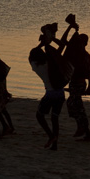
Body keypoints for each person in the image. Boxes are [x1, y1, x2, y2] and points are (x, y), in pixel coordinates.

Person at [29, 21, 76, 150]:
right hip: (60, 94)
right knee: (55, 118)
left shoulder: (36, 67)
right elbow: (61, 46)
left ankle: (51, 136)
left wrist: (42, 43)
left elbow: (33, 54)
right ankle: (55, 144)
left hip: (50, 94)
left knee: (40, 115)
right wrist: (52, 39)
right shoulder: (52, 63)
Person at [65, 32, 90, 142]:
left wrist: (89, 87)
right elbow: (66, 43)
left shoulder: (85, 55)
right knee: (74, 105)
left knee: (77, 106)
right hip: (74, 83)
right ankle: (83, 129)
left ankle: (84, 130)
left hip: (80, 83)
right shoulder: (75, 53)